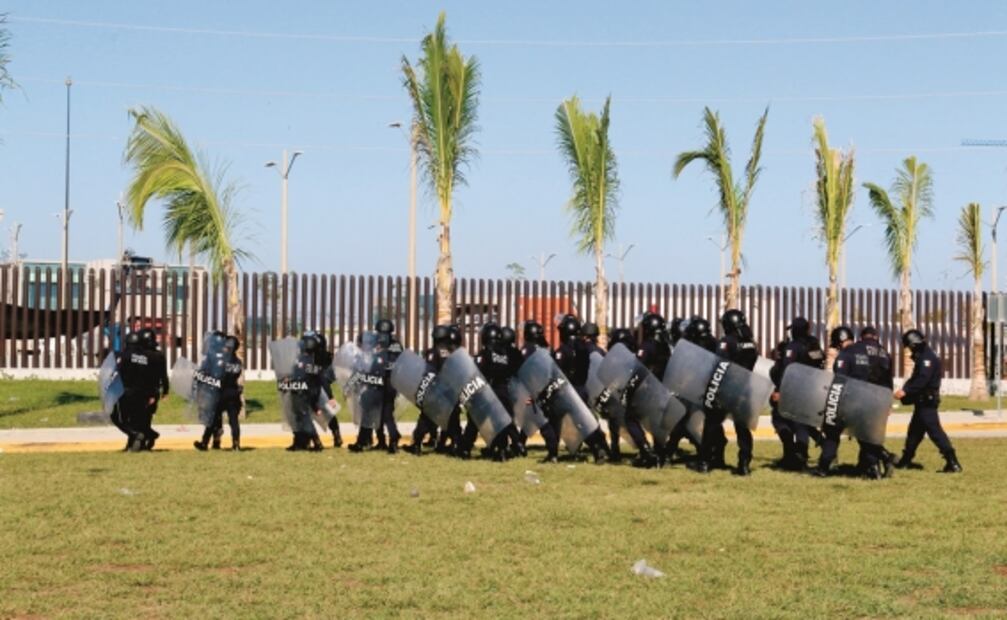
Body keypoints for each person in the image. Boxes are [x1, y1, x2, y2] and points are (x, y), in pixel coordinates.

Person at [811, 326, 891, 479]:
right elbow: (887, 380)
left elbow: (840, 381)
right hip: (875, 400)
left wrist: (832, 403)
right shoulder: (881, 352)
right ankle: (875, 464)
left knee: (832, 431)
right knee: (866, 435)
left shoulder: (847, 353)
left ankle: (823, 468)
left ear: (839, 342)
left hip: (851, 400)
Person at [690, 310, 758, 475]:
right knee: (742, 430)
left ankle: (705, 462)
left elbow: (719, 366)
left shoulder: (727, 342)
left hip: (725, 390)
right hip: (744, 391)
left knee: (711, 425)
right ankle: (744, 464)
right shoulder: (751, 343)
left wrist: (711, 390)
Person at [894, 330, 962, 473]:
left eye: (910, 347)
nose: (910, 350)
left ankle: (953, 462)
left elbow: (922, 380)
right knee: (914, 432)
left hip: (927, 402)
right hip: (922, 401)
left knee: (935, 432)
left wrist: (906, 391)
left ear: (914, 344)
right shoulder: (924, 356)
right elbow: (916, 379)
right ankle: (906, 460)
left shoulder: (927, 358)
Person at [552, 314, 610, 463]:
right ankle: (600, 447)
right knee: (585, 421)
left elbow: (555, 372)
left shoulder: (562, 351)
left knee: (562, 420)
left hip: (568, 391)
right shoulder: (584, 349)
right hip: (582, 389)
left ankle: (554, 453)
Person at [768, 317, 825, 471]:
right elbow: (821, 364)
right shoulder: (814, 345)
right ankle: (798, 456)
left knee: (781, 420)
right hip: (812, 389)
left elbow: (787, 370)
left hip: (793, 389)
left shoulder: (792, 347)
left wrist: (780, 391)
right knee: (802, 423)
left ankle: (795, 457)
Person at [474, 322, 526, 458]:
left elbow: (477, 372)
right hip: (505, 390)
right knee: (505, 420)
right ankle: (509, 447)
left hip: (489, 390)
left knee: (484, 421)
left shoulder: (485, 354)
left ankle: (498, 449)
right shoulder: (505, 355)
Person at [404, 324, 458, 455]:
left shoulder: (434, 352)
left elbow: (429, 372)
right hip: (451, 391)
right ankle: (458, 445)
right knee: (452, 420)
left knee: (425, 419)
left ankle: (416, 445)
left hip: (437, 391)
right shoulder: (453, 351)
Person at [115, 329, 169, 452]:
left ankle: (140, 442)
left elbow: (147, 376)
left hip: (146, 391)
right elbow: (163, 376)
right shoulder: (158, 355)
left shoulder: (143, 356)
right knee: (143, 419)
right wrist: (164, 391)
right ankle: (139, 444)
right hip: (150, 391)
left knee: (138, 419)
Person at [606, 327, 651, 463]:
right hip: (640, 393)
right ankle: (648, 450)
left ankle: (645, 451)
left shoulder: (617, 359)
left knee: (624, 421)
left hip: (627, 394)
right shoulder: (635, 356)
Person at [519, 320, 562, 463]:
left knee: (541, 421)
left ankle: (552, 453)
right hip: (549, 388)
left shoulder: (527, 349)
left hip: (534, 389)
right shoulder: (547, 349)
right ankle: (519, 444)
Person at [194, 333, 244, 451]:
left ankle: (204, 442)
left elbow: (214, 375)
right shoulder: (237, 362)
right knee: (234, 421)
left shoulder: (219, 360)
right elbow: (236, 376)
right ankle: (236, 444)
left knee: (212, 420)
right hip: (233, 393)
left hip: (220, 393)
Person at [373, 319, 403, 453]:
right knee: (384, 414)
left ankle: (390, 438)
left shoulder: (375, 344)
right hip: (388, 382)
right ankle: (386, 440)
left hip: (381, 382)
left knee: (382, 414)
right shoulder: (397, 344)